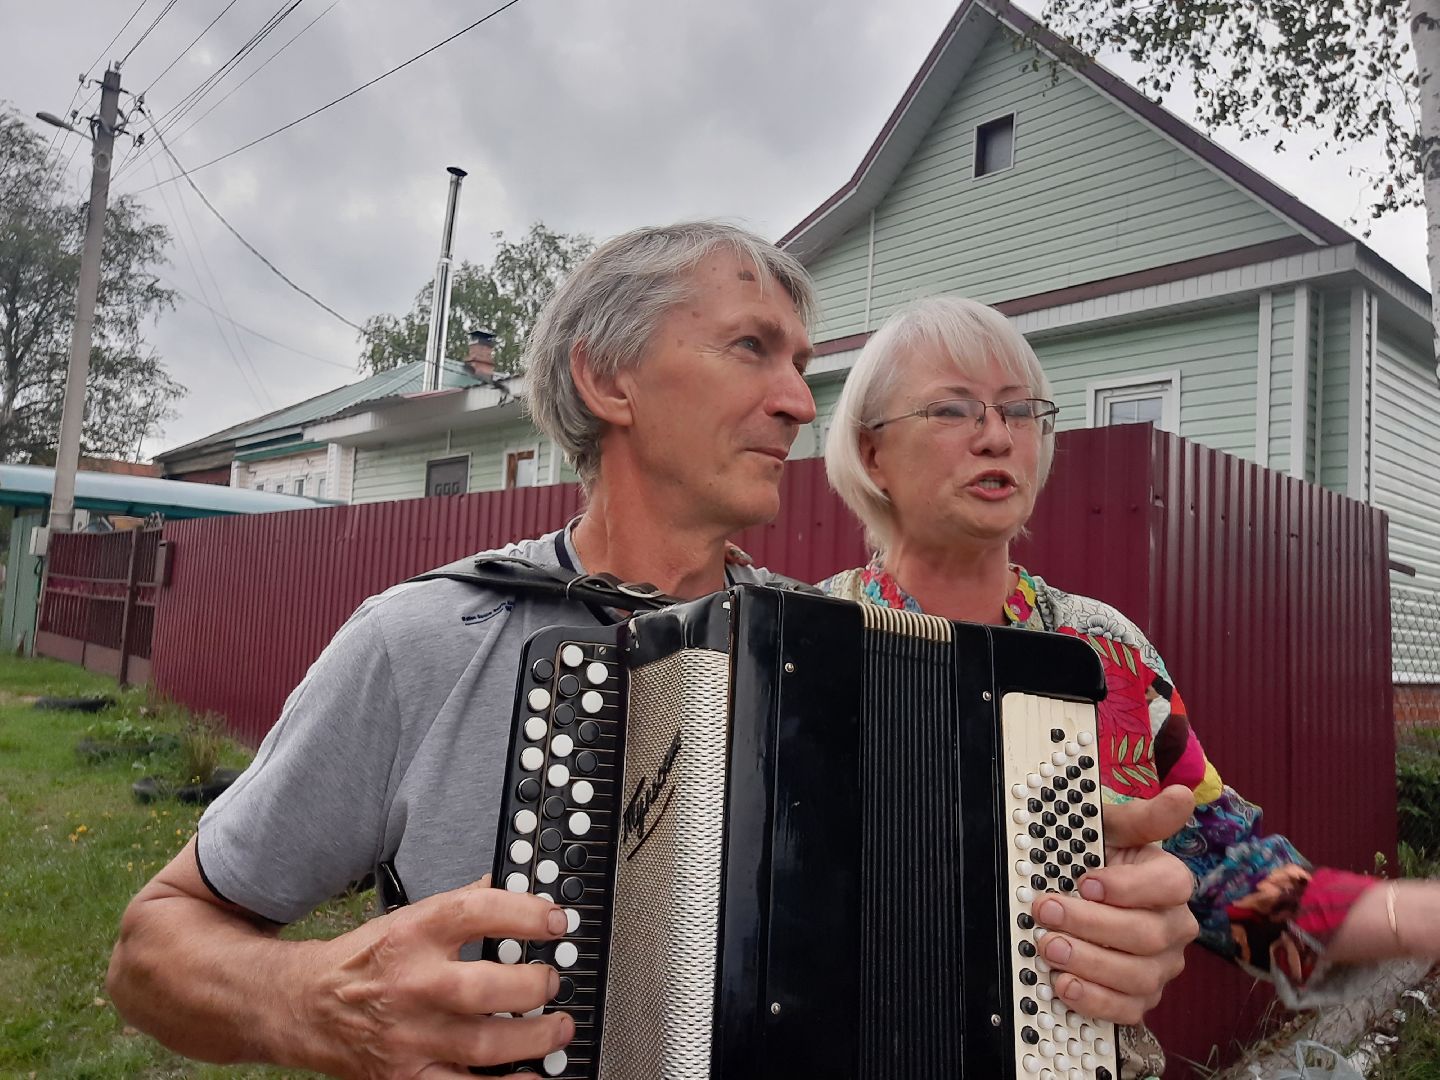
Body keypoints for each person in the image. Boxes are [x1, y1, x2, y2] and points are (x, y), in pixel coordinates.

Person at [107, 225, 1197, 1077]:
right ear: (608, 381)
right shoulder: (426, 641)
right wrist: (311, 1004)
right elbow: (153, 950)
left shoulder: (861, 655)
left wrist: (1100, 942)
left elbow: (970, 970)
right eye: (750, 350)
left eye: (801, 364)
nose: (792, 400)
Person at [816, 294, 1440, 1076]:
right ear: (872, 453)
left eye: (1022, 411)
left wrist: (1412, 914)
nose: (998, 436)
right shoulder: (808, 644)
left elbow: (1228, 881)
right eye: (953, 409)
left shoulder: (1105, 652)